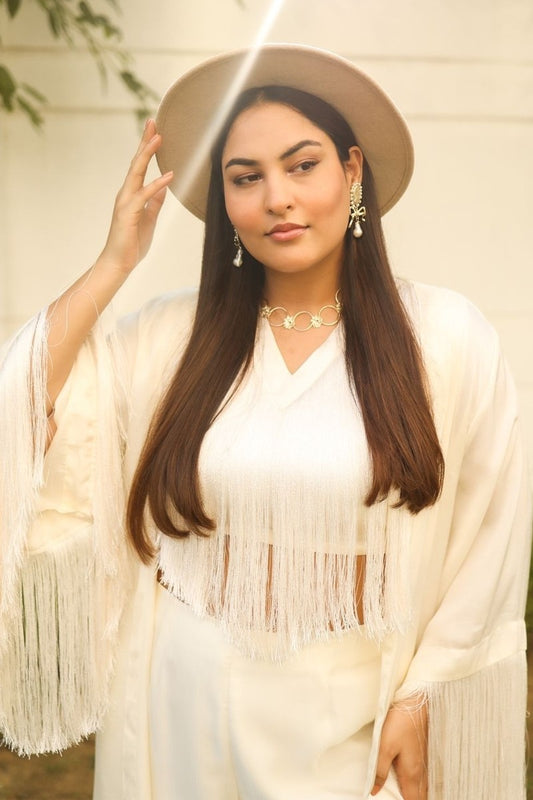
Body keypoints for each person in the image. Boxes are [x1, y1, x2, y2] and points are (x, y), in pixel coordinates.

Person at [0, 44, 530, 800]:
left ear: (351, 172)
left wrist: (425, 692)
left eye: (301, 165)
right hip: (181, 697)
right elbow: (22, 407)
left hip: (354, 704)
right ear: (224, 203)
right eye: (244, 178)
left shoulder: (442, 338)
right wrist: (114, 263)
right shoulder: (172, 338)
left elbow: (490, 532)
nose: (276, 197)